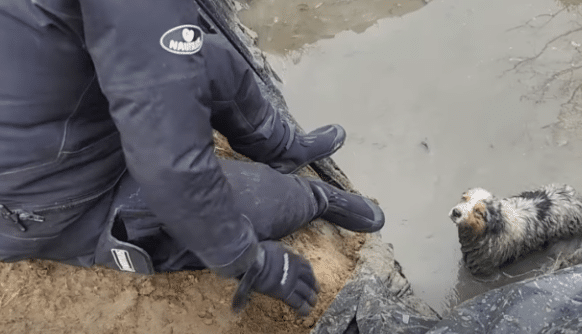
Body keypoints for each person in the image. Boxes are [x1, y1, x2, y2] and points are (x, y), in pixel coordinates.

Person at [0, 0, 384, 316]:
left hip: (56, 109)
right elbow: (171, 163)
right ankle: (315, 197)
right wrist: (249, 260)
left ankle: (281, 147)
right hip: (47, 199)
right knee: (265, 201)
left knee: (204, 55)